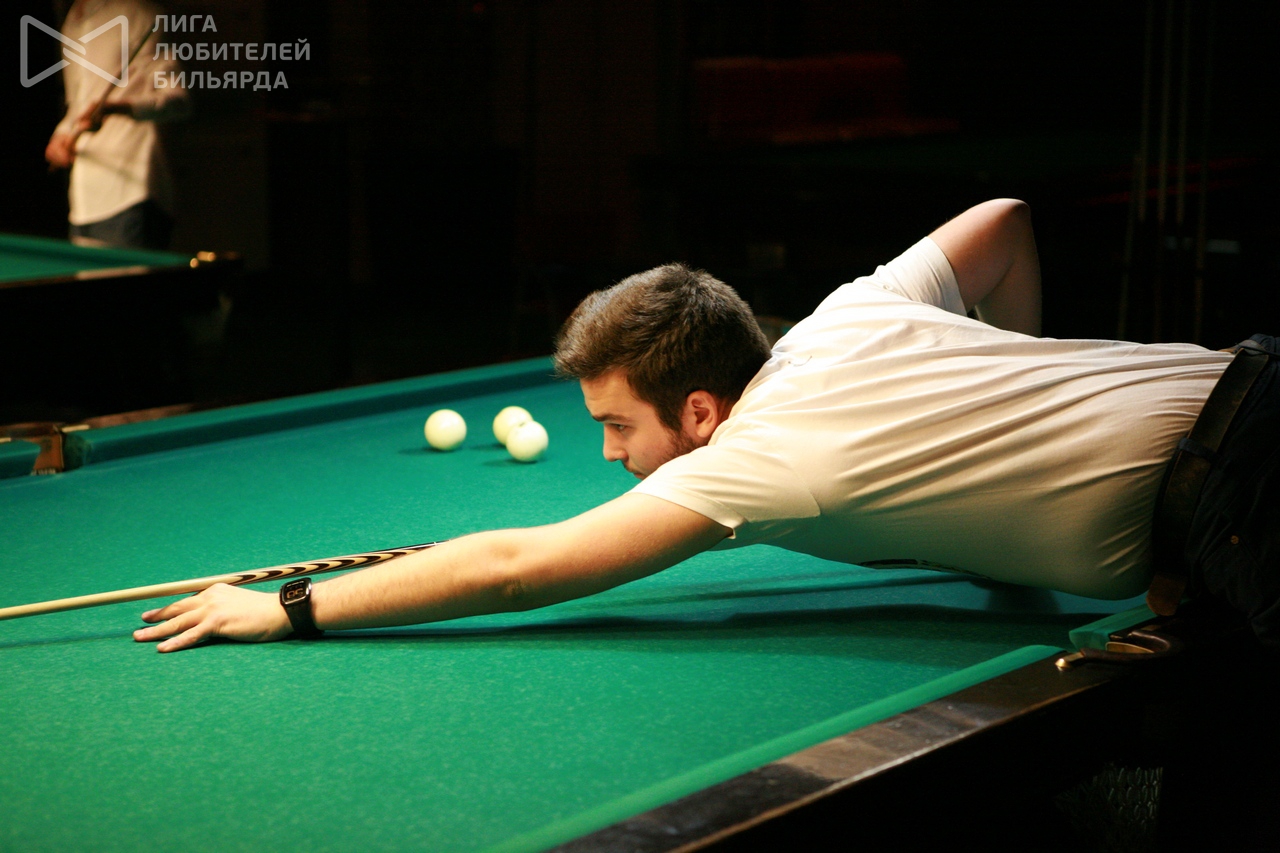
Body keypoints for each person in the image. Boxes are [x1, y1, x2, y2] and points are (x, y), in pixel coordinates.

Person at [133, 199, 1278, 652]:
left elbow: (517, 566)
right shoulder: (846, 312)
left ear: (698, 410)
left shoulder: (758, 458)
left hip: (1249, 488)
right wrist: (1017, 386)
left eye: (614, 425)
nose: (606, 454)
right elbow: (1004, 223)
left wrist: (285, 604)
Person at [45, 0, 190, 250]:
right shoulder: (72, 22)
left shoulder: (140, 12)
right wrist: (60, 136)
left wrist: (118, 108)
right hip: (83, 202)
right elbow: (78, 105)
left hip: (131, 195)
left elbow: (178, 100)